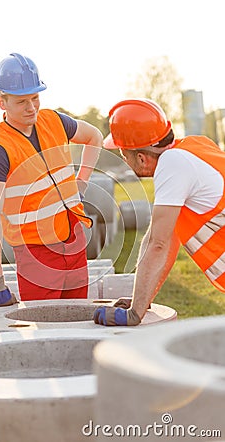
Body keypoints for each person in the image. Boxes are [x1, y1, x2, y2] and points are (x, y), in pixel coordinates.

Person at [0, 53, 102, 306]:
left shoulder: (54, 121)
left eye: (35, 98)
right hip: (36, 252)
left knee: (79, 320)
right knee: (46, 326)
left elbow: (95, 137)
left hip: (73, 237)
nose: (32, 107)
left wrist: (82, 182)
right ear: (2, 102)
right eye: (22, 101)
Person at [94, 98, 225, 326]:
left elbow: (158, 244)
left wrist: (135, 313)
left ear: (142, 158)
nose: (124, 160)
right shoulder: (194, 146)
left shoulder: (172, 164)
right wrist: (141, 300)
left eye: (125, 155)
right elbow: (164, 239)